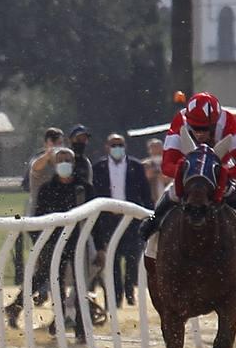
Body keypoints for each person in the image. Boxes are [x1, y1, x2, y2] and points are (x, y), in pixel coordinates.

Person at [137, 92, 236, 240]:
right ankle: (153, 225)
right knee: (171, 193)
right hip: (188, 175)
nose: (199, 134)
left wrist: (222, 173)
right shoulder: (180, 121)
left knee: (235, 192)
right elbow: (167, 165)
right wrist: (188, 172)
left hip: (220, 173)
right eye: (195, 128)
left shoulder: (229, 122)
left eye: (204, 129)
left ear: (216, 122)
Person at [5, 147, 93, 329]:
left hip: (77, 242)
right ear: (54, 164)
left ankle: (74, 324)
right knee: (49, 278)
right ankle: (58, 318)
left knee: (74, 279)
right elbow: (39, 219)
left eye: (68, 159)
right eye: (60, 160)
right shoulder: (47, 189)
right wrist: (41, 244)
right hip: (52, 243)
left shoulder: (83, 188)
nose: (64, 164)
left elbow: (94, 219)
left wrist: (100, 245)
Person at [92, 133, 153, 305]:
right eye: (113, 145)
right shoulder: (99, 167)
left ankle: (129, 290)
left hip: (132, 219)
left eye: (120, 144)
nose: (117, 148)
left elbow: (145, 193)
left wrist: (149, 214)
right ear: (107, 147)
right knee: (113, 258)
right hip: (109, 220)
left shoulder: (136, 166)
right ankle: (117, 295)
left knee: (133, 257)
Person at [15, 127, 64, 293]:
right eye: (56, 142)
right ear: (48, 142)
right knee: (46, 260)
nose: (60, 146)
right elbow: (36, 167)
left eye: (61, 143)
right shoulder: (39, 158)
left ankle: (42, 292)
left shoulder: (62, 160)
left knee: (51, 260)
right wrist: (49, 154)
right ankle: (39, 292)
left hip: (58, 216)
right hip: (38, 216)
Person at [143, 137, 170, 203]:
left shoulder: (169, 162)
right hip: (152, 198)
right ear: (149, 149)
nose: (155, 149)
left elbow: (169, 178)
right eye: (153, 147)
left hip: (168, 196)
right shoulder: (145, 164)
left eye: (157, 146)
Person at [67, 125, 94, 191]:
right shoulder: (63, 159)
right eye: (78, 139)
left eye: (84, 140)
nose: (81, 143)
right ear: (70, 140)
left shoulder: (86, 162)